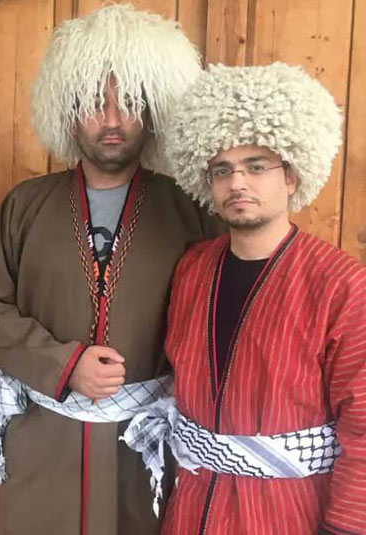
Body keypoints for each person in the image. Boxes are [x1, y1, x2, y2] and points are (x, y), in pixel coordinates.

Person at [0, 5, 222, 535]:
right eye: (91, 104)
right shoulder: (26, 205)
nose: (110, 120)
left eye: (126, 103)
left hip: (145, 441)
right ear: (66, 111)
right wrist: (63, 364)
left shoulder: (190, 210)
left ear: (150, 111)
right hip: (42, 439)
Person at [123, 62, 366, 535]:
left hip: (288, 513)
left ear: (291, 177)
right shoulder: (193, 270)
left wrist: (347, 526)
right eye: (222, 170)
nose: (238, 183)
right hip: (191, 505)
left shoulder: (341, 284)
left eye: (257, 167)